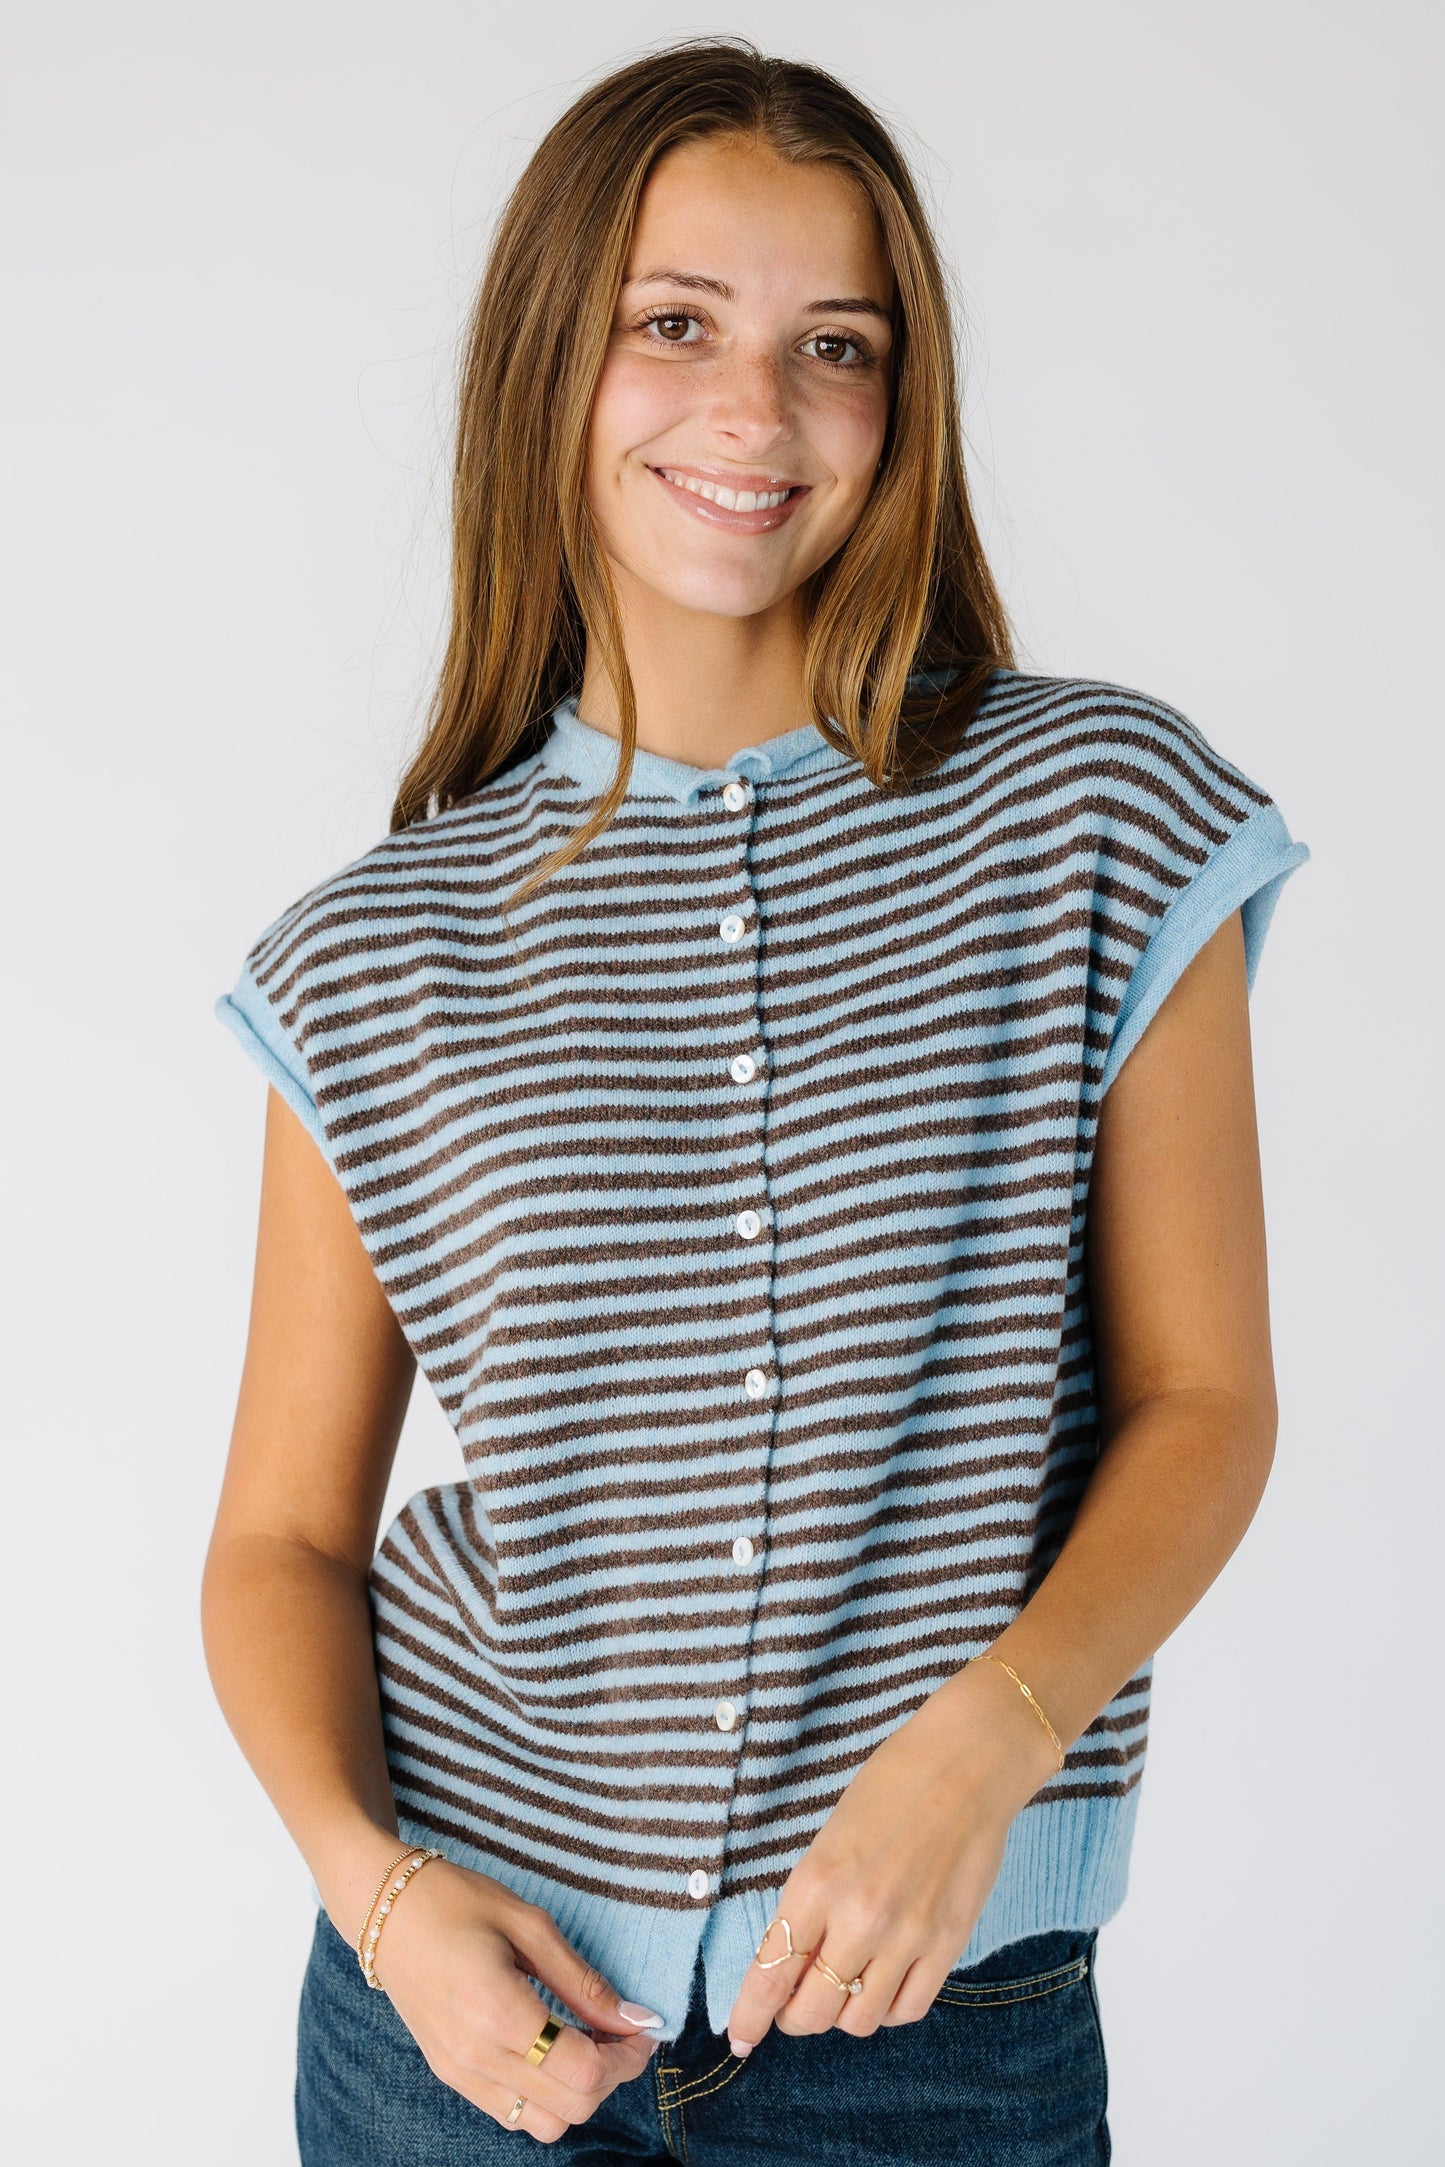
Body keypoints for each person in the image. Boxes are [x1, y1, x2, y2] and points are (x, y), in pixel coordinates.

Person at [203, 36, 1310, 2166]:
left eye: (836, 345)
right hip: (459, 2027)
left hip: (937, 2024)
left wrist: (988, 1745)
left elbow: (1206, 1402)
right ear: (550, 359)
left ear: (905, 401)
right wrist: (385, 1901)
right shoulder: (375, 949)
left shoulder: (1094, 814)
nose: (755, 410)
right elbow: (281, 1541)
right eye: (676, 324)